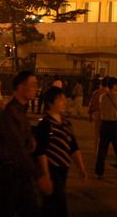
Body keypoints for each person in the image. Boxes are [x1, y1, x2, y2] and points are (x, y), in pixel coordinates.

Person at [0, 70, 41, 217]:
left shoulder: (20, 111)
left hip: (17, 172)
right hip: (8, 174)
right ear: (20, 87)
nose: (36, 88)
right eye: (33, 84)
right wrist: (38, 175)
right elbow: (17, 147)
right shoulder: (10, 113)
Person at [35, 87, 88, 216]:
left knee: (49, 207)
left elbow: (73, 146)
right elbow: (41, 152)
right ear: (50, 103)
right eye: (60, 100)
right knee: (58, 206)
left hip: (63, 170)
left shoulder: (66, 123)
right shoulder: (45, 123)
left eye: (64, 99)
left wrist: (81, 167)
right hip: (51, 169)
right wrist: (45, 175)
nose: (64, 103)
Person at [95, 77, 117, 179]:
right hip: (115, 125)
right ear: (113, 85)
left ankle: (99, 173)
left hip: (105, 124)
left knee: (102, 150)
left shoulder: (102, 97)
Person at [88, 77, 108, 155]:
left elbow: (91, 104)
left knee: (97, 134)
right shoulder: (110, 92)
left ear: (101, 84)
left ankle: (96, 151)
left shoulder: (96, 92)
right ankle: (103, 151)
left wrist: (90, 114)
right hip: (107, 115)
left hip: (97, 114)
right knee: (105, 135)